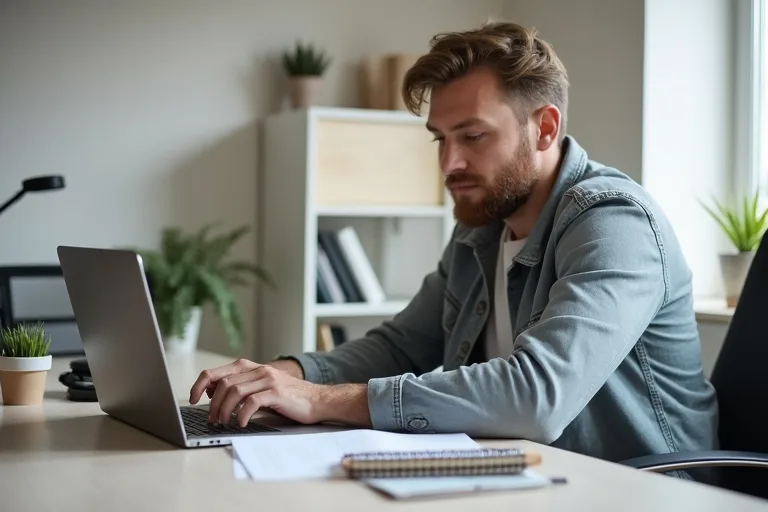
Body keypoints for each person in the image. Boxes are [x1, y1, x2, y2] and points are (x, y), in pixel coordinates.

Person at [189, 21, 718, 469]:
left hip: (643, 488)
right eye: (441, 138)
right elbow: (401, 346)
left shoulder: (614, 222)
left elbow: (536, 396)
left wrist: (323, 400)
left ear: (544, 128)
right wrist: (286, 377)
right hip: (534, 475)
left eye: (473, 136)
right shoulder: (482, 225)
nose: (449, 164)